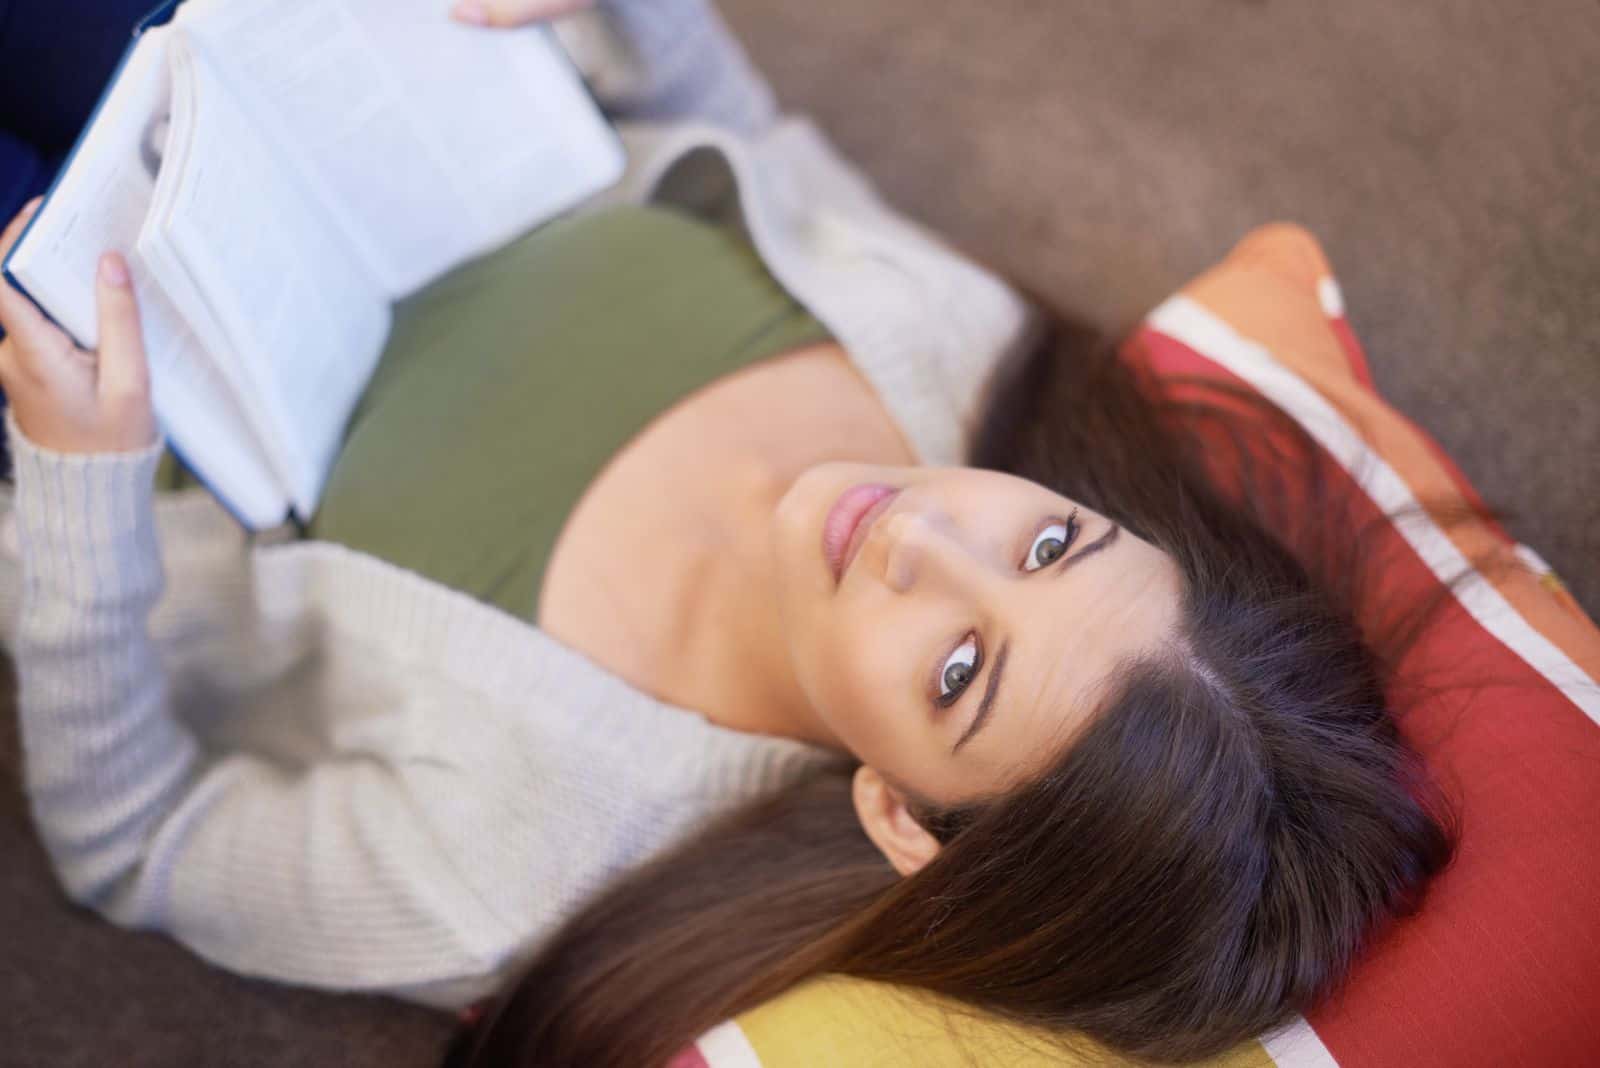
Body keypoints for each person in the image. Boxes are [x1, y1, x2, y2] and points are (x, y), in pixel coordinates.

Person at [0, 1, 1459, 1066]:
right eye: (1054, 547)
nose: (925, 535)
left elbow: (133, 840)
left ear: (899, 815)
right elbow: (748, 141)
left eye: (959, 673)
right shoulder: (970, 352)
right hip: (322, 89)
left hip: (104, 366)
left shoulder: (518, 856)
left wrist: (79, 480)